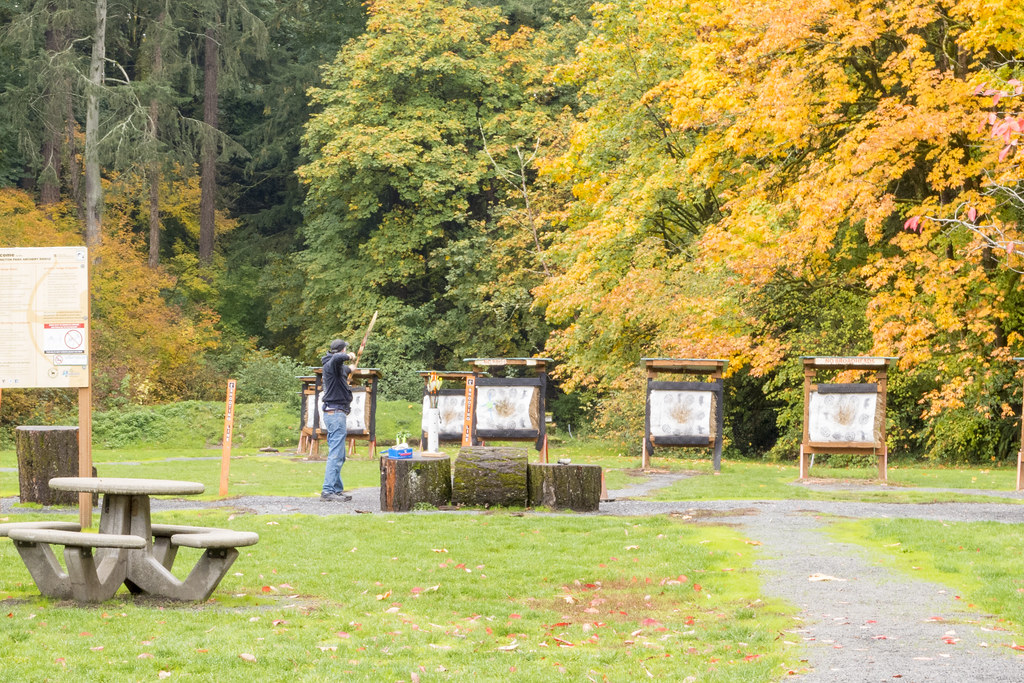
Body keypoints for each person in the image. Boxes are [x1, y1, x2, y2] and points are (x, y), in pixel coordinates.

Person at [320, 339, 355, 501]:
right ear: (341, 351)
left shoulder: (337, 369)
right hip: (335, 413)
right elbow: (337, 360)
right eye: (345, 350)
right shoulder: (331, 364)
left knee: (339, 454)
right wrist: (349, 356)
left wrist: (351, 368)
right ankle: (327, 491)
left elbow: (343, 369)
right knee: (335, 453)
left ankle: (336, 489)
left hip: (336, 413)